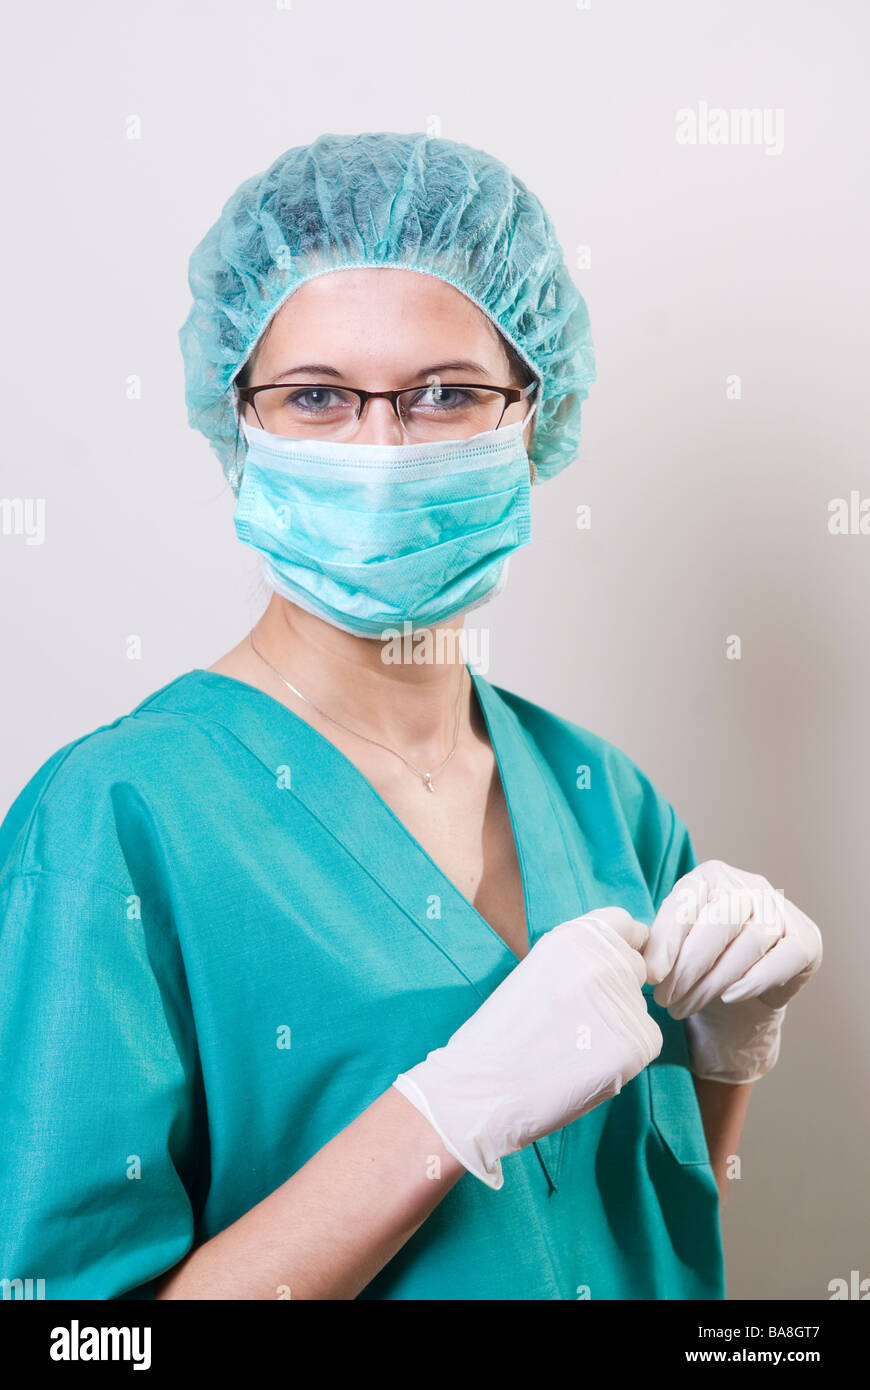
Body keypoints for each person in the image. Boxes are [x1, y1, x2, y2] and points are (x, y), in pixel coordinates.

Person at [0, 132, 822, 1301]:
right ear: (240, 425)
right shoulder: (115, 824)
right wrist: (444, 1114)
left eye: (446, 394)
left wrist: (727, 1049)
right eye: (317, 396)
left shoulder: (609, 800)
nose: (381, 451)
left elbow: (652, 1233)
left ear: (535, 417)